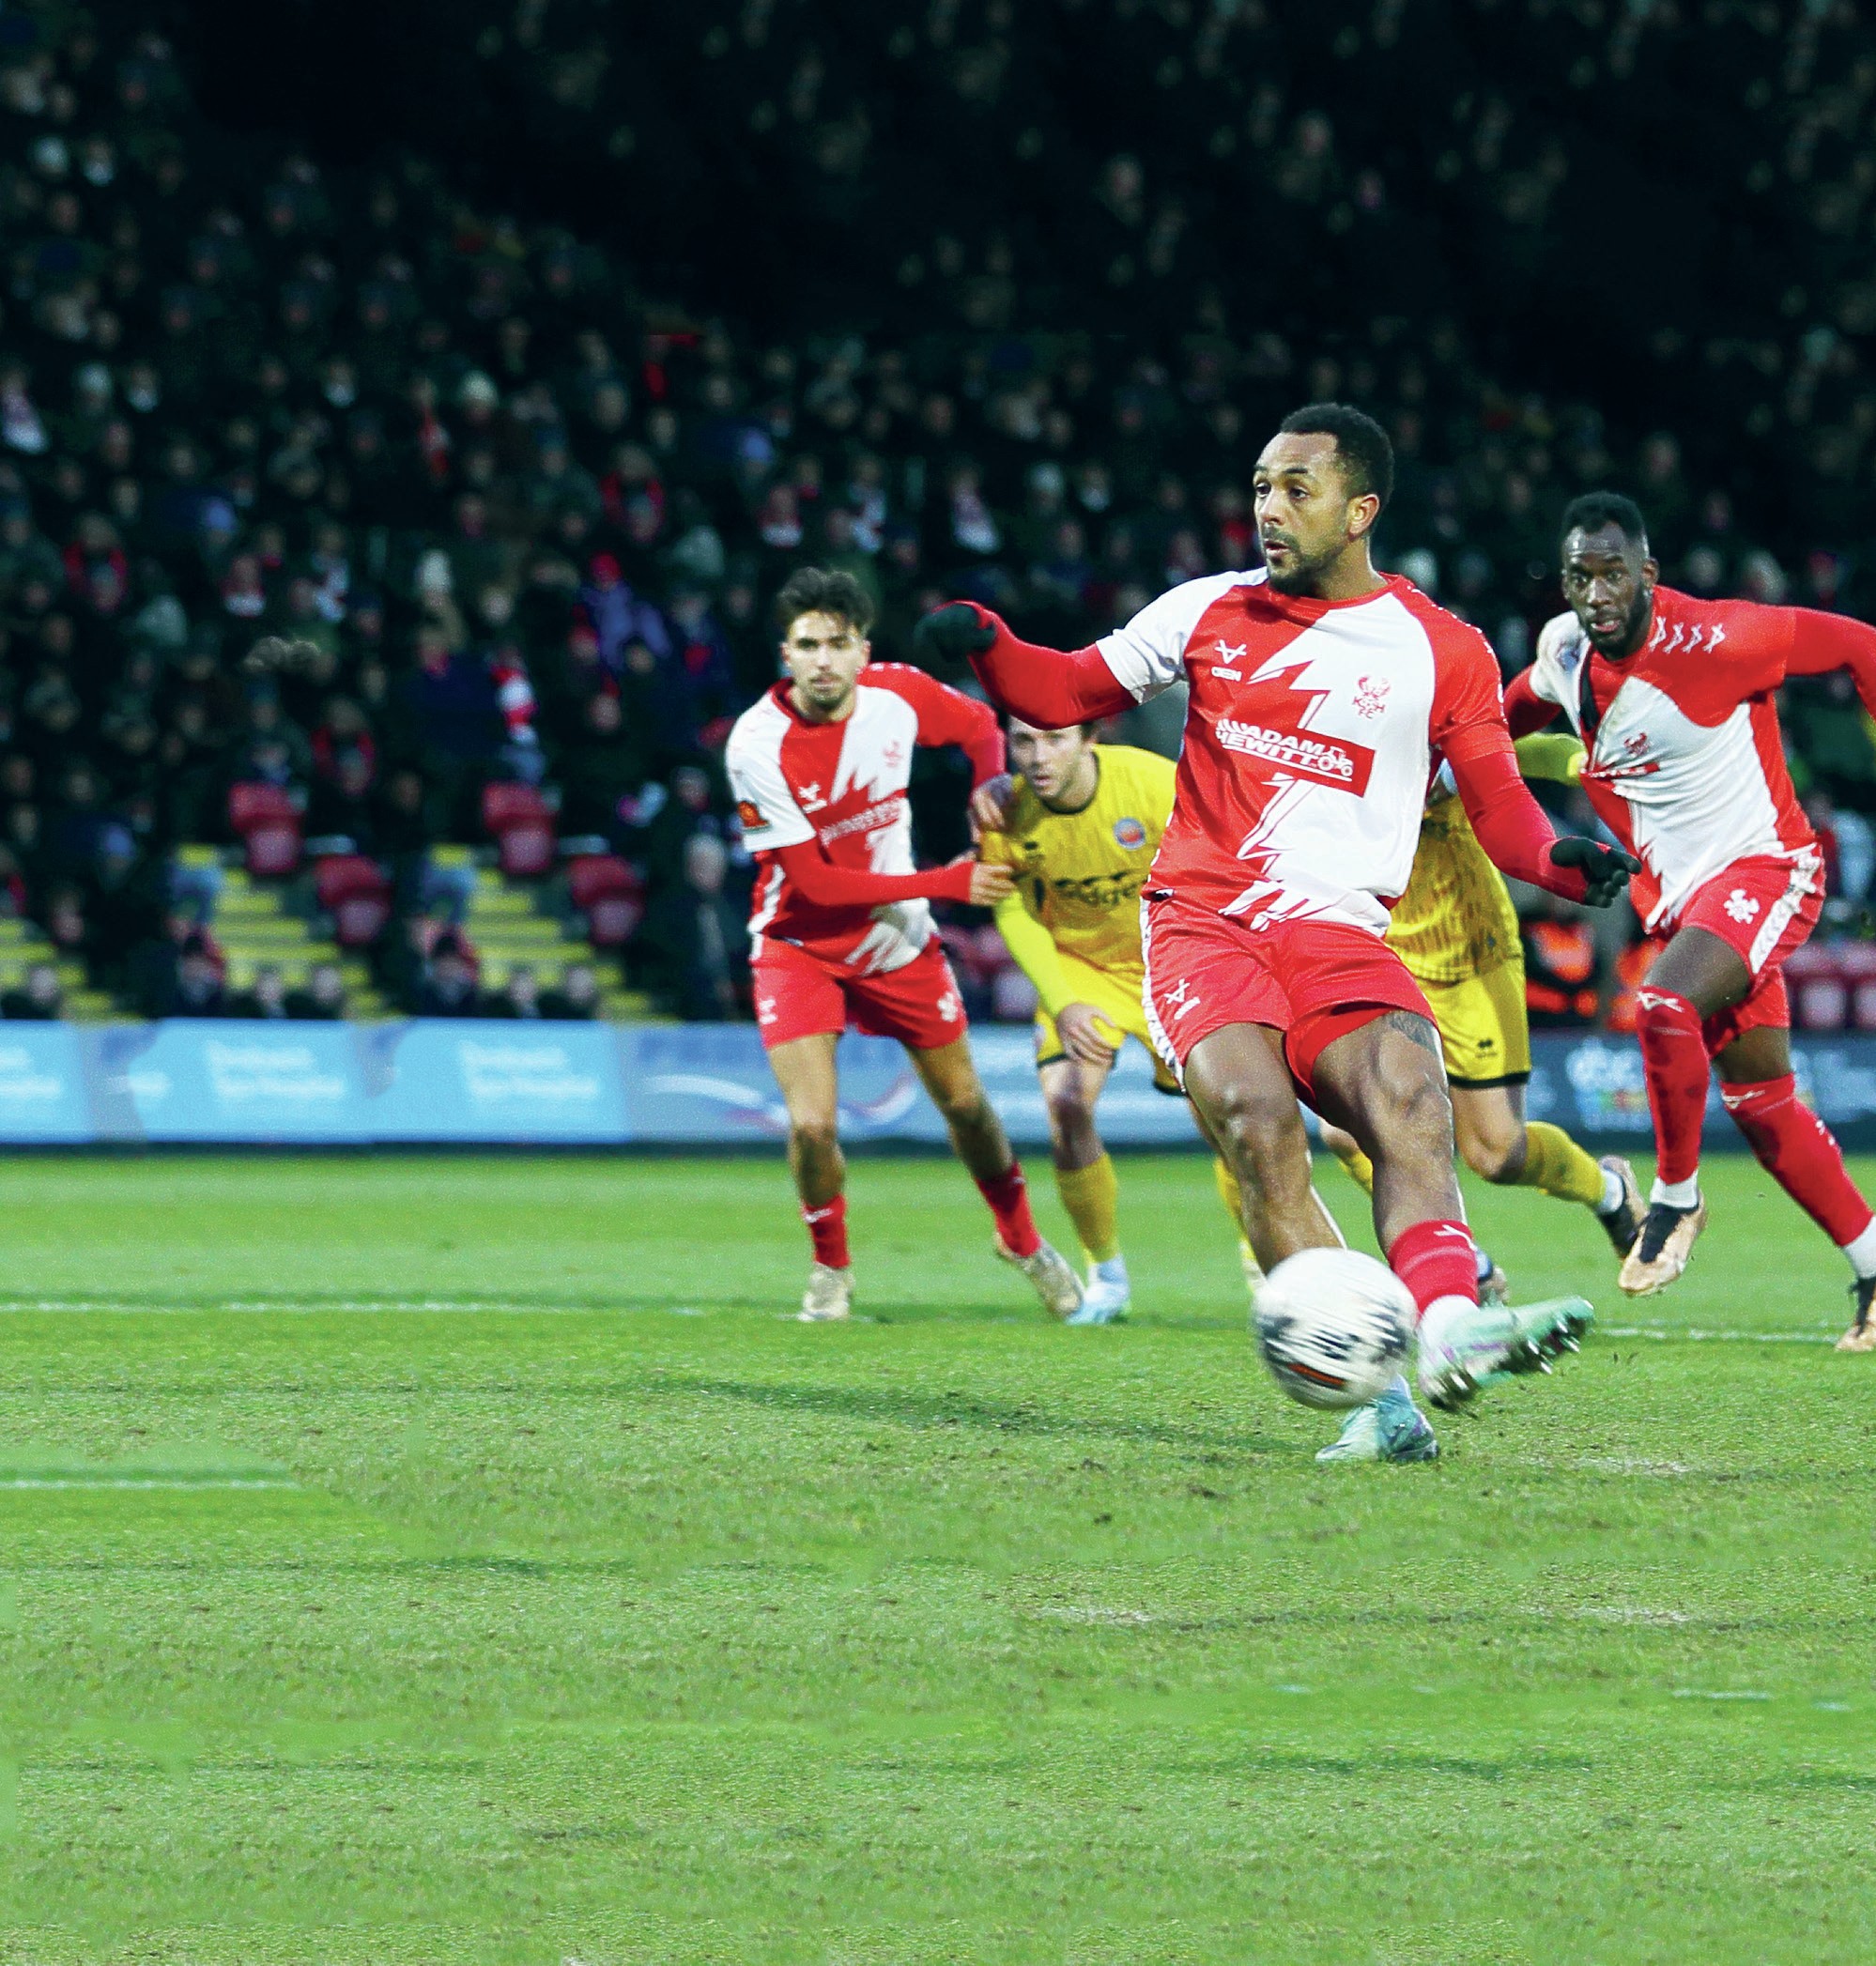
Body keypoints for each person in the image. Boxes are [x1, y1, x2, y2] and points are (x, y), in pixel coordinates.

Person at [916, 404, 1637, 1457]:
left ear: (1360, 511)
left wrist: (1559, 861)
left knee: (1404, 1099)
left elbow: (1499, 807)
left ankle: (1447, 1327)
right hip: (1203, 925)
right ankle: (1377, 1406)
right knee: (1258, 1125)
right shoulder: (1207, 610)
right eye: (1260, 485)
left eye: (1296, 488)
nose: (1269, 507)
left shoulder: (1442, 648)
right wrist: (987, 642)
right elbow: (1063, 686)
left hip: (1340, 928)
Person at [1510, 491, 1876, 1350]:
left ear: (1649, 575)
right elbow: (1498, 719)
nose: (1597, 594)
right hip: (1687, 905)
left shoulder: (1722, 638)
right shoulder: (1562, 657)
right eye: (1579, 577)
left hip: (1768, 869)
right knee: (1763, 1102)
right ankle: (1874, 1270)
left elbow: (1862, 644)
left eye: (1613, 575)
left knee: (1664, 1006)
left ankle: (1675, 1198)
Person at [726, 565, 1083, 1324]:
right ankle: (830, 1270)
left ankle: (1022, 1240)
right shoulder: (756, 743)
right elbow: (815, 885)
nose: (823, 659)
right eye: (807, 644)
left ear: (864, 650)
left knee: (967, 1106)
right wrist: (943, 887)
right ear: (785, 654)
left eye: (838, 643)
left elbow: (982, 727)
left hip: (895, 941)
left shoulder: (898, 694)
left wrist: (987, 783)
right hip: (799, 944)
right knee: (813, 1124)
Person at [974, 715, 1287, 1323]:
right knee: (1066, 1104)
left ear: (1090, 739)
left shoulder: (1150, 783)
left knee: (1226, 1120)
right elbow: (1011, 908)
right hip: (1083, 971)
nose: (1038, 757)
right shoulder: (1005, 812)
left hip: (1171, 959)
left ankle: (1260, 1259)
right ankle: (1107, 1275)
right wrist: (1062, 1000)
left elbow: (1221, 863)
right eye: (1023, 742)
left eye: (1055, 739)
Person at [1315, 734, 1645, 1286]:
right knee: (1344, 1132)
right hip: (1380, 958)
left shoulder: (1424, 739)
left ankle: (1609, 1191)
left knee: (1496, 1153)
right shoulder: (1311, 756)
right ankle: (1460, 1261)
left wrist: (1581, 762)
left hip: (1469, 958)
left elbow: (1518, 746)